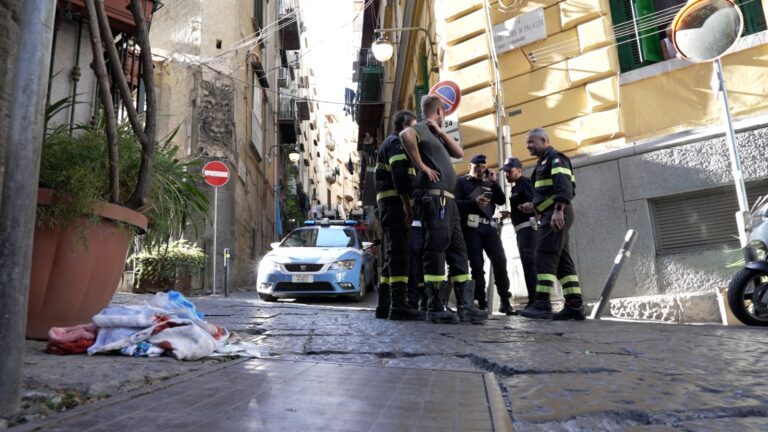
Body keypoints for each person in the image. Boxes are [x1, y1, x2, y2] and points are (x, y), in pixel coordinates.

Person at [400, 95, 488, 324]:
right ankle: (435, 305)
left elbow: (459, 153)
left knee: (459, 252)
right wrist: (422, 166)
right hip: (434, 199)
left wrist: (440, 132)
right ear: (439, 111)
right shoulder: (419, 128)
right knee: (436, 250)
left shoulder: (436, 134)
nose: (445, 117)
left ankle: (466, 306)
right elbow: (405, 134)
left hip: (449, 202)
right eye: (444, 113)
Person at [518, 128, 585, 321]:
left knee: (544, 255)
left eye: (532, 142)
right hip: (551, 212)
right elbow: (546, 192)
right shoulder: (542, 163)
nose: (529, 146)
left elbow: (563, 185)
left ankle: (542, 304)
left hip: (557, 214)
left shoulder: (556, 158)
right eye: (527, 144)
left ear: (544, 140)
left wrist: (558, 209)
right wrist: (533, 206)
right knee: (562, 261)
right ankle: (575, 306)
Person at [373, 110, 424, 321]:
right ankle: (399, 306)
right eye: (413, 127)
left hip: (389, 204)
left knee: (394, 253)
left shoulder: (390, 142)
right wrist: (408, 206)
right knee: (401, 253)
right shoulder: (397, 143)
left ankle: (384, 305)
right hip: (395, 204)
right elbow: (400, 176)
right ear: (404, 125)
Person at [455, 154, 514, 315]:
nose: (481, 170)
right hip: (471, 228)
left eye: (483, 167)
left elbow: (501, 201)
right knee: (477, 265)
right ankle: (481, 303)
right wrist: (474, 202)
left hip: (489, 228)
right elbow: (456, 204)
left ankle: (505, 301)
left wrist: (494, 183)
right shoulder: (461, 183)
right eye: (477, 167)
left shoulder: (489, 183)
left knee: (500, 262)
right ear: (470, 166)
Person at [500, 157, 537, 309]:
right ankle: (534, 300)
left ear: (519, 170)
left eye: (510, 171)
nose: (507, 174)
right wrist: (511, 213)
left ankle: (535, 301)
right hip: (521, 229)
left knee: (530, 264)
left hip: (528, 229)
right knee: (527, 264)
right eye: (506, 172)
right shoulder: (515, 187)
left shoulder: (525, 182)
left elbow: (533, 203)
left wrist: (530, 209)